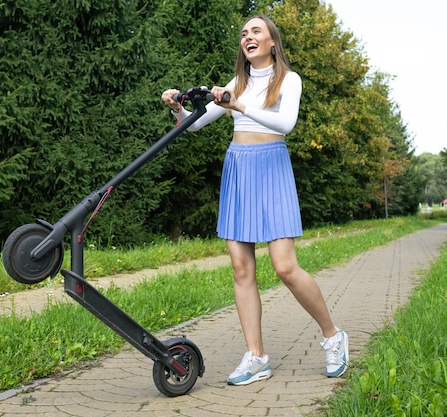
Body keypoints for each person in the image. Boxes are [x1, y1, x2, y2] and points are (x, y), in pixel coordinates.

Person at [161, 14, 348, 386]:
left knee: (285, 267)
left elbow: (287, 124)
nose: (248, 36)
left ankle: (332, 336)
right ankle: (257, 357)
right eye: (244, 33)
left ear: (272, 41)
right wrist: (176, 108)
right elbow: (195, 124)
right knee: (241, 269)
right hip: (239, 168)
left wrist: (239, 105)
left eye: (256, 31)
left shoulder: (288, 79)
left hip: (272, 167)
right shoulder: (238, 81)